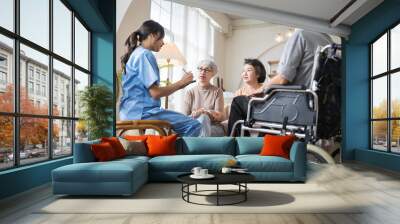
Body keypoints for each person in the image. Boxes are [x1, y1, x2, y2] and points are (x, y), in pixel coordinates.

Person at [228, 29, 334, 136]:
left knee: (238, 102)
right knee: (266, 117)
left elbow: (283, 78)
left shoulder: (301, 35)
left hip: (294, 106)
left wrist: (262, 89)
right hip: (317, 108)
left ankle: (237, 146)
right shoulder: (328, 41)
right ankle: (260, 147)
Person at [119, 20, 202, 137]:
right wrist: (181, 83)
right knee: (194, 125)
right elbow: (155, 93)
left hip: (130, 112)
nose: (163, 43)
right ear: (153, 35)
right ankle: (178, 155)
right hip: (143, 112)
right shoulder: (145, 55)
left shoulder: (136, 54)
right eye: (162, 39)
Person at [183, 59, 225, 136]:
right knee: (200, 122)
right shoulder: (190, 92)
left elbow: (220, 116)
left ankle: (199, 144)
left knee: (204, 118)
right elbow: (185, 118)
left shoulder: (218, 91)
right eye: (200, 69)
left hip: (213, 127)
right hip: (194, 126)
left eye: (206, 70)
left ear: (213, 74)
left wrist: (206, 112)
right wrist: (196, 114)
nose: (202, 72)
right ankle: (202, 143)